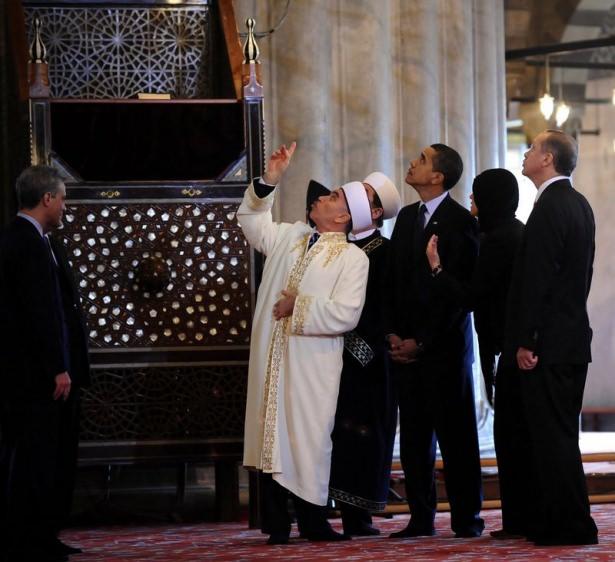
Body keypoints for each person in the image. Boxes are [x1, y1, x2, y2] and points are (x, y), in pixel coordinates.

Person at [239, 143, 370, 545]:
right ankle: (277, 523)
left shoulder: (352, 259)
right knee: (272, 435)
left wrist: (299, 305)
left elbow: (346, 313)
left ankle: (313, 521)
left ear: (343, 217)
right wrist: (270, 179)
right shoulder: (290, 236)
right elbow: (252, 222)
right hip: (272, 356)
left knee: (308, 437)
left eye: (332, 197)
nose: (321, 198)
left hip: (312, 363)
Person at [496, 129, 598, 546]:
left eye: (533, 148)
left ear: (549, 159)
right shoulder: (577, 203)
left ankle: (569, 526)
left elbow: (541, 280)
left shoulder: (551, 205)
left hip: (549, 345)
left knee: (552, 438)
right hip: (570, 339)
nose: (526, 152)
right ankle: (553, 521)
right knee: (557, 436)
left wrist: (528, 340)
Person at [385, 144, 484, 539]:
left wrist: (422, 342)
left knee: (457, 438)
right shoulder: (408, 217)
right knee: (413, 439)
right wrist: (393, 334)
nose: (412, 163)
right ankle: (420, 517)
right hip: (405, 349)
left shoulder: (461, 221)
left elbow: (461, 297)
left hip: (443, 350)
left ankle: (466, 519)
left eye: (422, 160)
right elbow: (393, 283)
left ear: (439, 176)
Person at [0, 166, 90, 562]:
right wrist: (57, 366)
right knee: (37, 459)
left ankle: (42, 536)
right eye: (63, 198)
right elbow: (39, 314)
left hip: (41, 373)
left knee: (48, 458)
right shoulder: (24, 242)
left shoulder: (41, 241)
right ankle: (31, 540)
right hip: (36, 377)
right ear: (48, 199)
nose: (65, 206)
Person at [328, 172, 401, 536]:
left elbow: (385, 307)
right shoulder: (333, 246)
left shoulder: (385, 252)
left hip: (368, 360)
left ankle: (360, 514)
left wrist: (360, 346)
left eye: (364, 196)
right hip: (328, 358)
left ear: (375, 212)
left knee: (364, 435)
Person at [425, 169, 524, 406]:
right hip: (514, 346)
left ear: (491, 197)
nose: (471, 197)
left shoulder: (498, 241)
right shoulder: (515, 230)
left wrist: (437, 268)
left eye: (477, 192)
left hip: (510, 349)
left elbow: (472, 298)